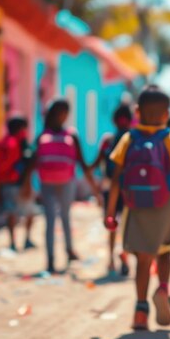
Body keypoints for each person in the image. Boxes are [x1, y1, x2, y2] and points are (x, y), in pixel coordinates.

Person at [106, 85, 170, 331]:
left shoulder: (129, 139)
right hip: (164, 205)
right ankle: (164, 290)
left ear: (137, 111)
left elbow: (116, 179)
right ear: (167, 113)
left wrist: (109, 212)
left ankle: (140, 310)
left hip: (136, 206)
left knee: (143, 259)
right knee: (165, 251)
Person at [23, 99, 102, 273]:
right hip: (61, 182)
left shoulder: (44, 135)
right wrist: (96, 191)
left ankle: (57, 256)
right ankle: (57, 255)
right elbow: (82, 163)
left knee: (53, 219)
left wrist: (96, 191)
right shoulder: (69, 135)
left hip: (53, 183)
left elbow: (32, 164)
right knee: (60, 218)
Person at [92, 105, 133, 276]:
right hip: (128, 188)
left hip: (109, 187)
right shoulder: (133, 139)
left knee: (111, 224)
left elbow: (97, 162)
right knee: (127, 225)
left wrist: (93, 183)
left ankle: (110, 260)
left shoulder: (107, 140)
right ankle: (124, 255)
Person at [0, 116, 35, 251]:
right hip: (20, 184)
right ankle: (27, 239)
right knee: (30, 213)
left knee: (11, 214)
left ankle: (12, 243)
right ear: (21, 128)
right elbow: (28, 164)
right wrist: (28, 185)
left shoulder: (1, 143)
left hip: (6, 184)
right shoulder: (21, 143)